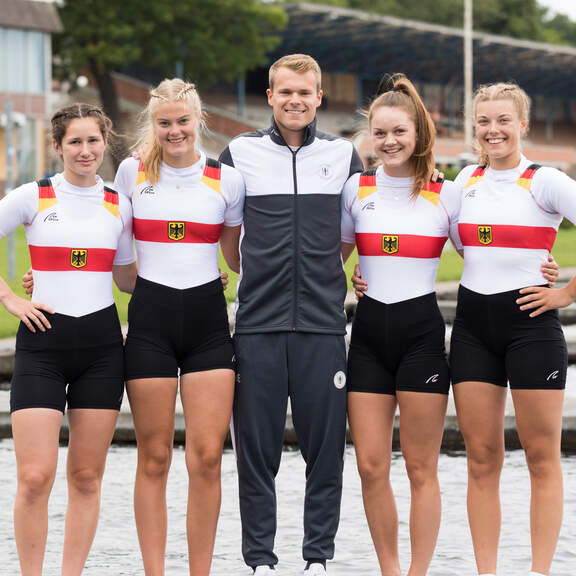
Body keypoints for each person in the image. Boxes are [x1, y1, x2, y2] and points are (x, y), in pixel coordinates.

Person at [219, 54, 363, 575]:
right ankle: (260, 561)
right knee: (256, 454)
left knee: (325, 452)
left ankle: (317, 558)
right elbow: (230, 241)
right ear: (271, 96)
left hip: (322, 326)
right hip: (257, 325)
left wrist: (322, 273)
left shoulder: (343, 155)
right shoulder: (239, 153)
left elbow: (350, 233)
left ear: (319, 97)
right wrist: (260, 272)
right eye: (286, 92)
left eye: (305, 92)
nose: (295, 100)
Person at [113, 78, 245, 576]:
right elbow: (113, 254)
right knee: (154, 457)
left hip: (208, 327)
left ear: (198, 121)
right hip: (150, 324)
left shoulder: (226, 180)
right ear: (153, 124)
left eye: (183, 121)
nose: (175, 131)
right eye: (164, 123)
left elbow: (237, 259)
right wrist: (48, 278)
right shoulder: (131, 173)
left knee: (207, 458)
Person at [0, 103, 136, 576]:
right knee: (35, 477)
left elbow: (128, 279)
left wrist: (200, 277)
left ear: (105, 142)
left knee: (85, 476)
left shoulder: (119, 203)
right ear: (57, 146)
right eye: (74, 142)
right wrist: (12, 300)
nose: (85, 150)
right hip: (42, 348)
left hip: (101, 351)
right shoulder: (33, 196)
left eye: (93, 140)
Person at [449, 82, 576, 576]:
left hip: (531, 328)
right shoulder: (465, 180)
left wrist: (565, 293)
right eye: (484, 121)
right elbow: (457, 242)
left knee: (541, 458)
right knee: (481, 458)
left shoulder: (545, 181)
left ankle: (539, 572)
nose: (493, 130)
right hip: (472, 329)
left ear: (522, 124)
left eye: (503, 120)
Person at [340, 75, 461, 576]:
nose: (389, 142)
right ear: (370, 135)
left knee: (419, 467)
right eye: (380, 133)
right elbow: (333, 258)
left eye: (399, 132)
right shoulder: (356, 188)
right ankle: (389, 569)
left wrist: (545, 273)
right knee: (370, 466)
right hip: (367, 339)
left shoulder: (446, 194)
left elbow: (483, 258)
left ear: (418, 133)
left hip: (421, 341)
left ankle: (418, 572)